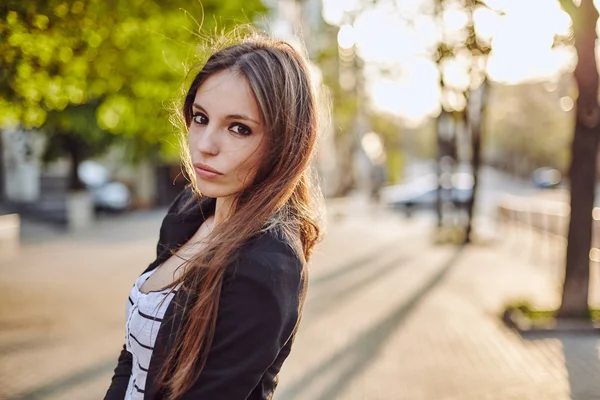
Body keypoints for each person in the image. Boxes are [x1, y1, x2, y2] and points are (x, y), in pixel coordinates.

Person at [104, 33, 323, 400]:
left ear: (286, 142)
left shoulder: (265, 266)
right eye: (201, 118)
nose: (205, 145)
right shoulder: (190, 211)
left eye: (239, 128)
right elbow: (132, 356)